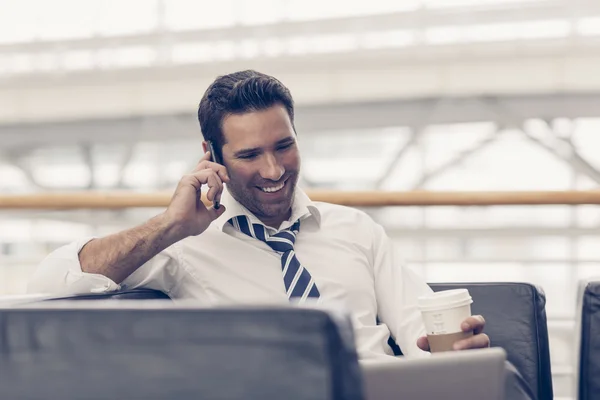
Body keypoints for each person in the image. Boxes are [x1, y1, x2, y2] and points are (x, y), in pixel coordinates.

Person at [28, 70, 533, 399]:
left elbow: (418, 332)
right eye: (249, 155)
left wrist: (453, 355)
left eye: (284, 146)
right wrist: (171, 226)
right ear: (211, 154)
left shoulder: (354, 228)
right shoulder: (184, 242)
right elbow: (54, 281)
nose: (273, 170)